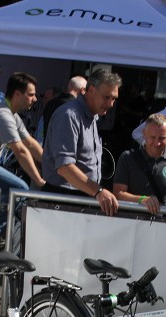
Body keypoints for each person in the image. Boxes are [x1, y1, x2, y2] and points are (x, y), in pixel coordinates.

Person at [42, 68, 121, 216]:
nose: (111, 104)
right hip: (63, 200)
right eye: (106, 97)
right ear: (91, 90)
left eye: (114, 98)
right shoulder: (69, 115)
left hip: (81, 197)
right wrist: (98, 191)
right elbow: (64, 167)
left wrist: (95, 192)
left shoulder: (92, 116)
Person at [112, 113, 166, 216]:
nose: (157, 143)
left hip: (163, 227)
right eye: (152, 137)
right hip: (131, 225)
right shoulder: (127, 158)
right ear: (144, 134)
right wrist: (142, 200)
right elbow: (118, 194)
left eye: (162, 138)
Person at [41, 76, 87, 142]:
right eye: (86, 91)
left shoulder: (50, 104)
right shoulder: (76, 107)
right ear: (82, 90)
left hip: (48, 148)